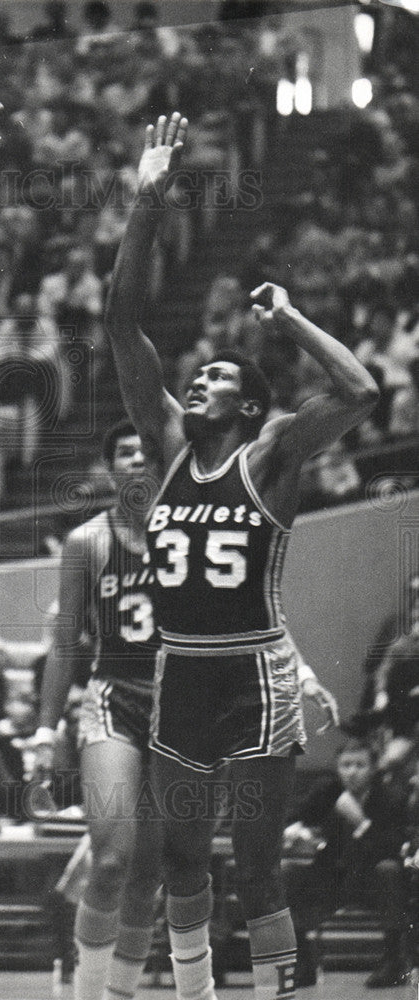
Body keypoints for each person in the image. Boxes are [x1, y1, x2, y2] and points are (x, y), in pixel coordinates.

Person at [105, 112, 378, 1000]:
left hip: (255, 674)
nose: (199, 374)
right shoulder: (165, 443)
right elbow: (119, 325)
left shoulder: (273, 455)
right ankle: (191, 994)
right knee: (182, 858)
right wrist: (146, 202)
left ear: (251, 405)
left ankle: (274, 993)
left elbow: (360, 390)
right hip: (180, 669)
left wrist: (289, 317)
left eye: (220, 373)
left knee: (255, 865)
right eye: (198, 370)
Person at [35, 420, 163, 1000]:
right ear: (111, 469)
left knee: (147, 876)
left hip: (181, 707)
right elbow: (65, 642)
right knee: (111, 860)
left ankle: (121, 995)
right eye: (124, 453)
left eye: (146, 451)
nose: (136, 460)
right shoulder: (87, 542)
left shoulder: (187, 531)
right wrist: (43, 729)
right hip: (113, 694)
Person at [283, 734, 409, 988]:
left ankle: (393, 962)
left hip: (372, 878)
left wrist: (360, 822)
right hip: (335, 874)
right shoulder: (327, 791)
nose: (351, 772)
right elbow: (293, 819)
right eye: (345, 765)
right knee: (288, 872)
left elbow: (394, 848)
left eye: (359, 766)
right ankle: (303, 961)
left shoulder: (390, 797)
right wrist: (296, 831)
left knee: (389, 870)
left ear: (373, 769)